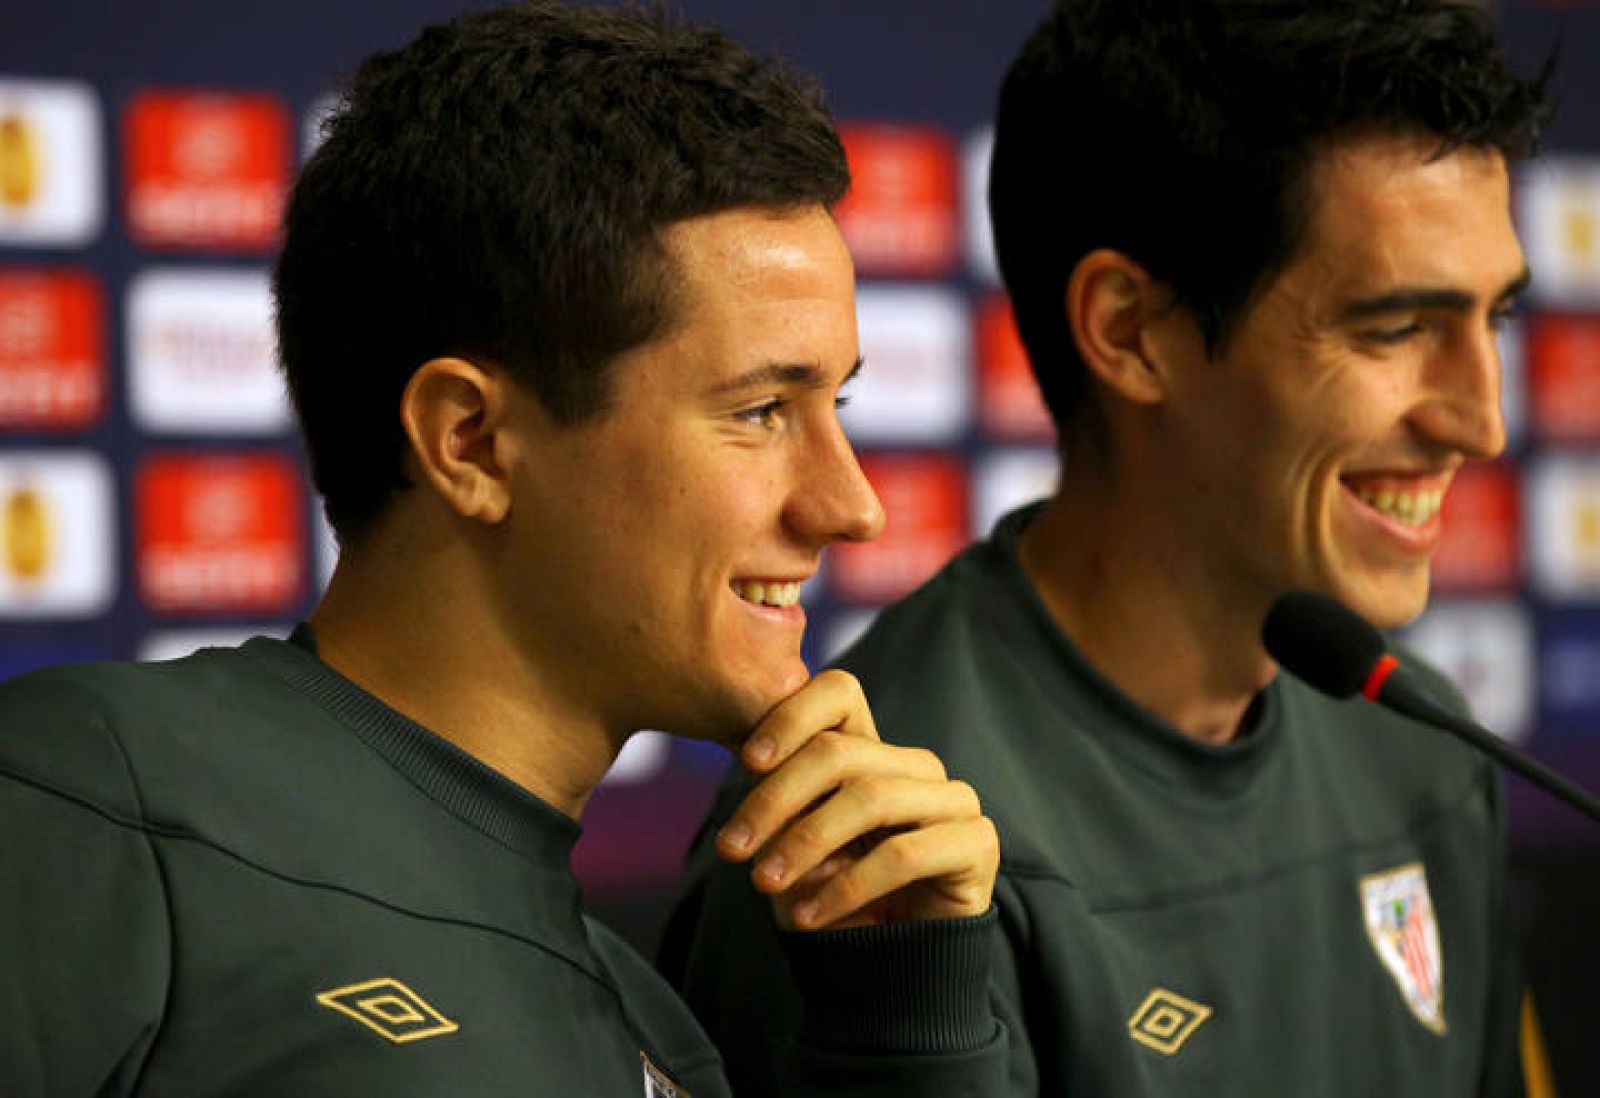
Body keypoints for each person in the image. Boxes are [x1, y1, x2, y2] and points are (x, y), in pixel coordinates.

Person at [0, 4, 1008, 1094]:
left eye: (839, 405)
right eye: (762, 410)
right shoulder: (80, 805)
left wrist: (907, 1024)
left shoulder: (660, 1033)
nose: (851, 505)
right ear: (470, 442)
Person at [663, 0, 1551, 1094]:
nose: (1481, 421)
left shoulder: (1422, 740)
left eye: (1493, 321)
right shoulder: (870, 852)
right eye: (1396, 328)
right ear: (1130, 330)